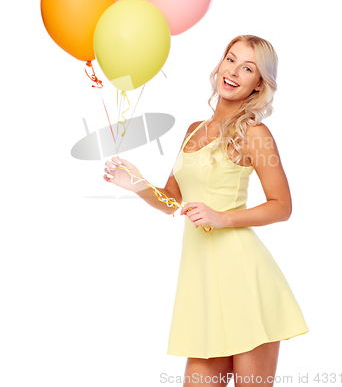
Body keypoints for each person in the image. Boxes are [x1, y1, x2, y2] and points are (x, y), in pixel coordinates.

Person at [103, 35, 309, 386]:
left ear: (259, 84)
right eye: (231, 59)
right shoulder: (193, 131)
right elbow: (172, 199)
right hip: (202, 285)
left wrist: (222, 217)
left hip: (244, 279)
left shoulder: (255, 134)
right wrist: (136, 183)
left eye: (248, 68)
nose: (233, 72)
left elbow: (282, 206)